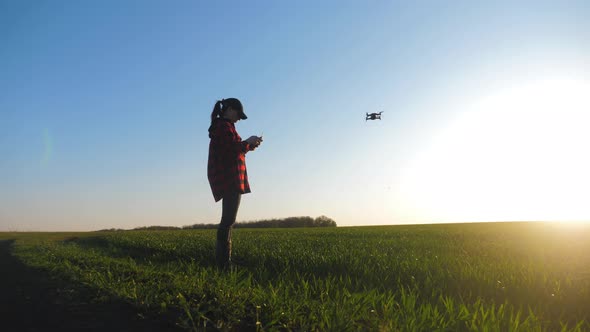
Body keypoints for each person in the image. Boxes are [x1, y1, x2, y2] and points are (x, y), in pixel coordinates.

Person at [207, 98, 262, 269]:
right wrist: (247, 142)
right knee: (228, 220)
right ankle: (224, 264)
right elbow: (232, 149)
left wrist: (249, 146)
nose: (239, 118)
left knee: (228, 220)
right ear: (229, 110)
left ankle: (224, 262)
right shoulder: (224, 127)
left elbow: (232, 148)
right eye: (238, 114)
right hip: (230, 178)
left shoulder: (224, 127)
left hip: (228, 177)